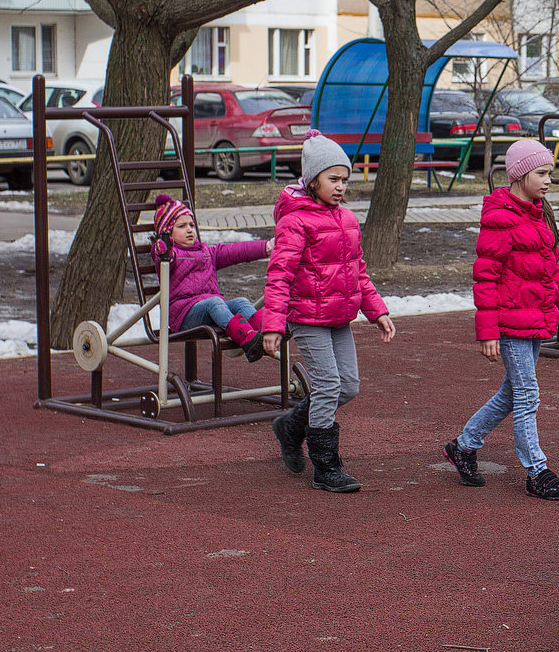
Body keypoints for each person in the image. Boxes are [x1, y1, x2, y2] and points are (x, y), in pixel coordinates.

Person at [442, 138, 559, 501]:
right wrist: (488, 331)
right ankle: (536, 471)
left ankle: (463, 446)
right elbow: (486, 277)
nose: (548, 180)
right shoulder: (501, 219)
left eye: (550, 173)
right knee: (527, 393)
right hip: (510, 324)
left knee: (513, 392)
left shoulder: (538, 216)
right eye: (541, 172)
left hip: (535, 318)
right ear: (520, 174)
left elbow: (552, 270)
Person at [264, 130, 397, 493]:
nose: (340, 187)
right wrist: (273, 325)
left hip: (339, 317)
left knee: (348, 386)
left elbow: (359, 272)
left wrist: (377, 311)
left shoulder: (348, 219)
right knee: (327, 386)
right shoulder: (295, 221)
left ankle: (291, 427)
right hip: (307, 318)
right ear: (312, 180)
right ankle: (325, 466)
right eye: (333, 179)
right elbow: (280, 276)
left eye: (345, 180)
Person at [149, 193, 272, 362]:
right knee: (215, 302)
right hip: (184, 317)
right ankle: (249, 342)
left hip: (210, 309)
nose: (190, 229)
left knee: (241, 301)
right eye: (182, 226)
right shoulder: (171, 254)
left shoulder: (206, 252)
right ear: (168, 232)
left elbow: (235, 251)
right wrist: (163, 248)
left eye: (191, 224)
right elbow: (162, 255)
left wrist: (267, 247)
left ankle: (265, 333)